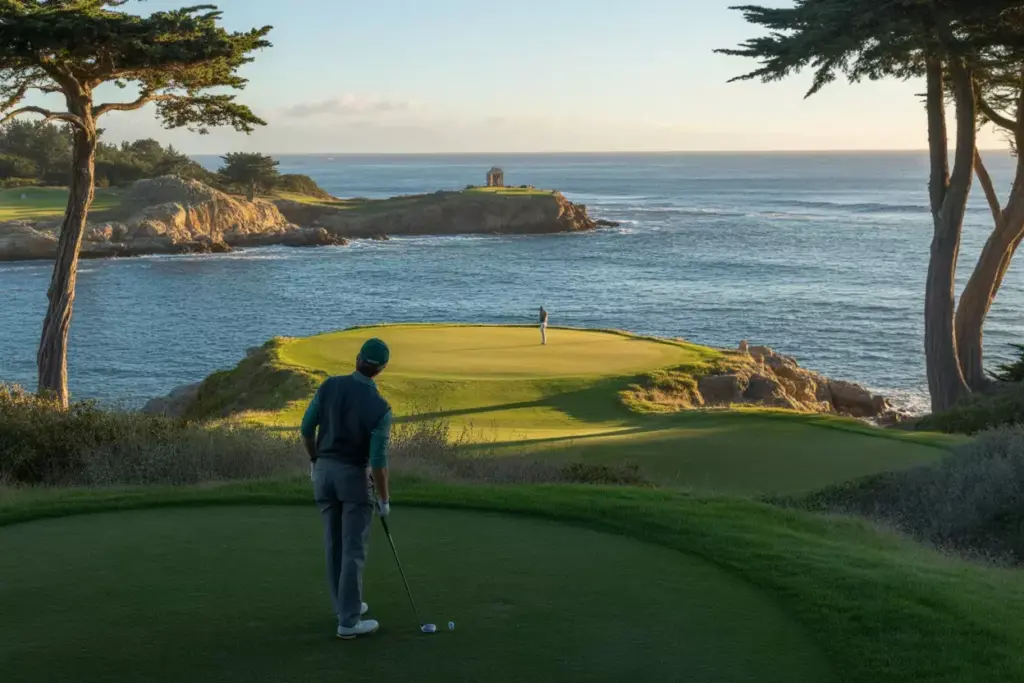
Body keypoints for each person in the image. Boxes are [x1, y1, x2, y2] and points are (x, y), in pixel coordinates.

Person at [301, 337, 393, 640]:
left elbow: (306, 428)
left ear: (357, 359)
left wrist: (315, 460)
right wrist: (384, 498)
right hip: (353, 477)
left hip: (324, 473)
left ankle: (344, 606)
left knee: (334, 544)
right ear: (380, 370)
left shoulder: (329, 386)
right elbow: (378, 461)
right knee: (353, 549)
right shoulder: (380, 408)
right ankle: (349, 622)